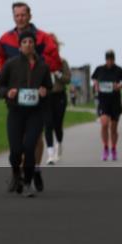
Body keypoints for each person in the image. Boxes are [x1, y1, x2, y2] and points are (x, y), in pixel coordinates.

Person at [0, 2, 60, 192]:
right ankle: (18, 174)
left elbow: (54, 60)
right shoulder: (5, 38)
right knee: (17, 144)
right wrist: (9, 83)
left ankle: (34, 170)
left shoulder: (43, 37)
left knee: (34, 139)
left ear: (30, 16)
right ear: (13, 17)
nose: (20, 18)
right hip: (16, 101)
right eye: (17, 15)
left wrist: (37, 65)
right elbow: (1, 62)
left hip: (36, 102)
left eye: (23, 15)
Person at [91, 50, 122, 161]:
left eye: (111, 60)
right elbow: (94, 78)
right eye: (108, 59)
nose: (110, 62)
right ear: (105, 59)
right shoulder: (99, 69)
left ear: (114, 59)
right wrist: (96, 84)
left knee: (113, 129)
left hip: (115, 101)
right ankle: (106, 148)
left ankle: (114, 148)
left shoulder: (119, 70)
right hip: (103, 101)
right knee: (104, 124)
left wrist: (119, 86)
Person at [45, 37, 71, 165]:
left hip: (59, 96)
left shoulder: (62, 62)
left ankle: (59, 143)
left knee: (57, 125)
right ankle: (50, 154)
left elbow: (68, 79)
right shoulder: (42, 62)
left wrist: (58, 73)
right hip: (47, 97)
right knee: (48, 124)